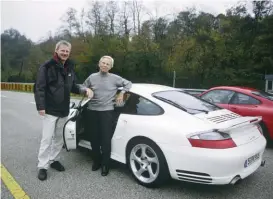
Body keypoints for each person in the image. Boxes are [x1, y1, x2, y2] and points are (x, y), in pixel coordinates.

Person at [34, 40, 93, 181]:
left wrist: (84, 89)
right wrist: (40, 106)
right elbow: (39, 87)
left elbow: (73, 86)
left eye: (67, 51)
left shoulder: (70, 67)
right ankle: (42, 166)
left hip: (63, 109)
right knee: (47, 139)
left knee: (59, 138)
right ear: (56, 50)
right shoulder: (46, 67)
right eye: (62, 50)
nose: (65, 53)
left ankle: (53, 160)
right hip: (49, 109)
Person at [83, 55, 132, 176]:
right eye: (103, 63)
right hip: (92, 111)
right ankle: (96, 161)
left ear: (111, 66)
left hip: (107, 112)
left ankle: (105, 164)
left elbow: (129, 83)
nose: (105, 65)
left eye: (107, 64)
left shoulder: (115, 78)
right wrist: (86, 90)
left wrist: (122, 92)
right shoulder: (92, 77)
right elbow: (82, 86)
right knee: (94, 138)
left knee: (105, 139)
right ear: (99, 64)